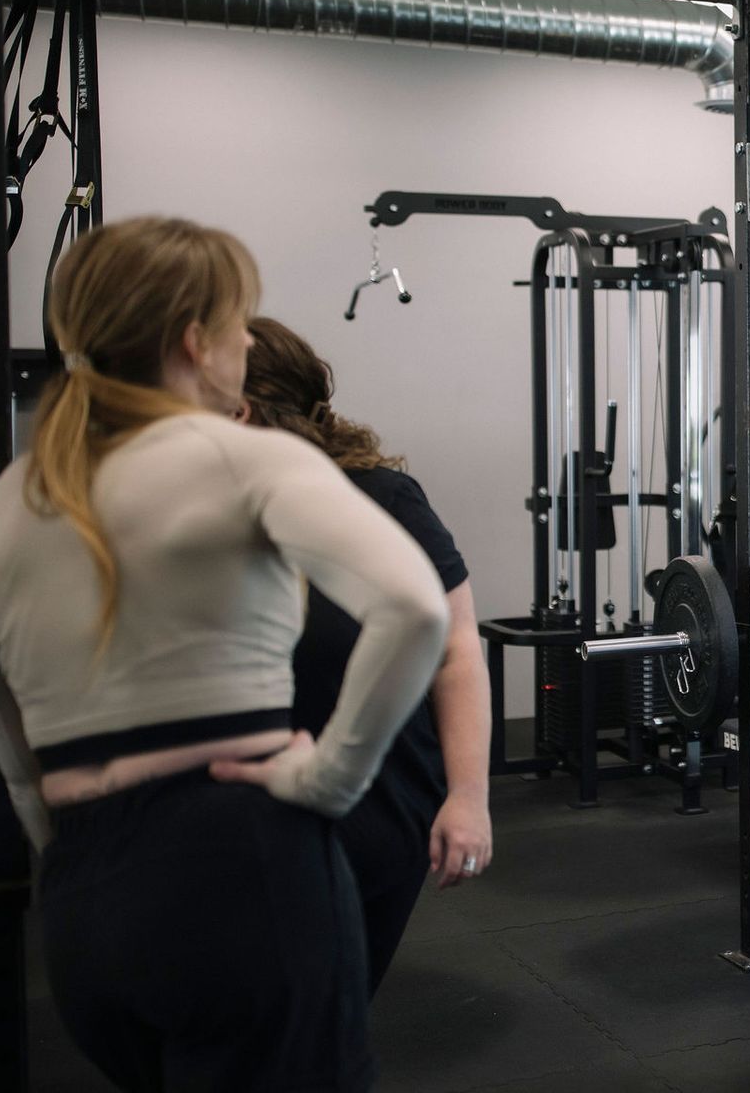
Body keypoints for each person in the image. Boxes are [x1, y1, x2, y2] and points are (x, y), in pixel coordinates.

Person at [0, 217, 448, 1091]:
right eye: (238, 325)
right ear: (196, 343)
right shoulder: (243, 458)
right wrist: (329, 781)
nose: (246, 345)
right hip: (239, 871)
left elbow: (8, 744)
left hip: (83, 906)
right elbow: (416, 611)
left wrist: (73, 848)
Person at [240, 315, 493, 996]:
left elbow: (455, 647)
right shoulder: (196, 508)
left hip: (375, 809)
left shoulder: (381, 498)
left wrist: (468, 798)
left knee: (322, 1007)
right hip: (240, 810)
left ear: (244, 410)